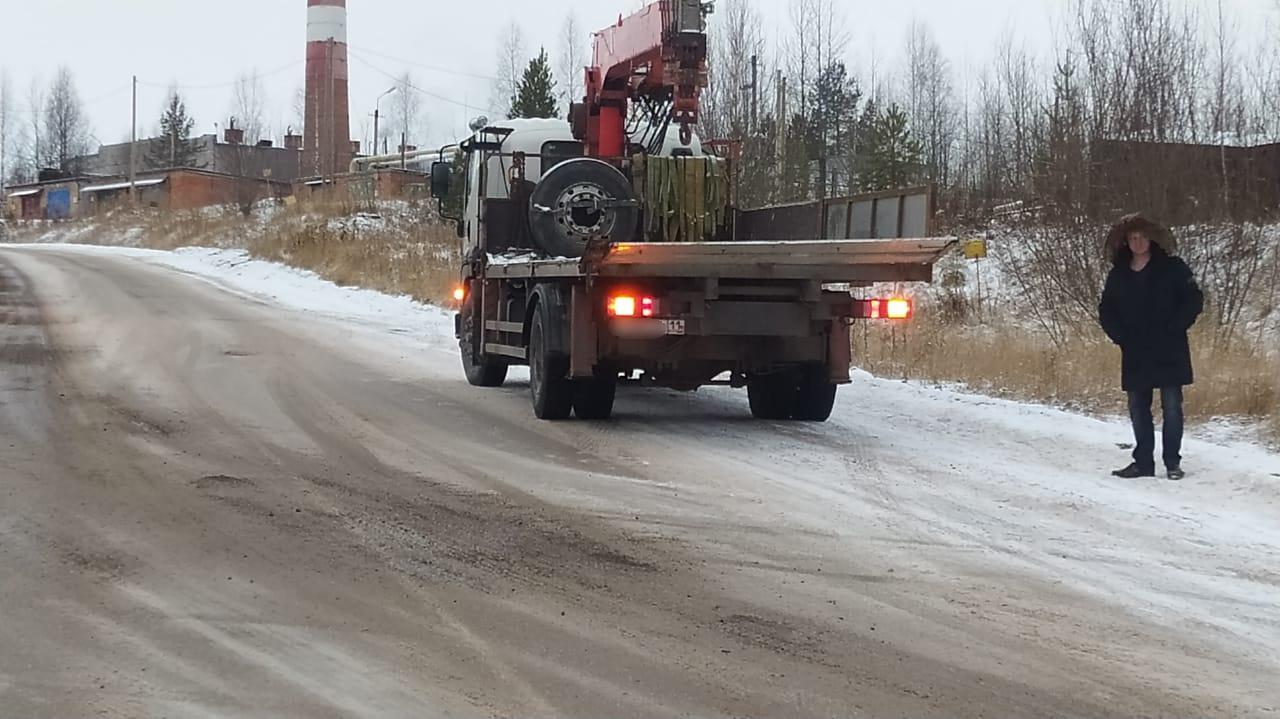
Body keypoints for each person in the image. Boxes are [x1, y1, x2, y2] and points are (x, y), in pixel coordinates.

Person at [1098, 214, 1204, 480]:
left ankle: (1172, 463)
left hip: (1169, 347)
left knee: (1171, 406)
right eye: (1132, 238)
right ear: (1126, 242)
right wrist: (1120, 336)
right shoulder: (1119, 274)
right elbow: (1106, 309)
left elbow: (1193, 299)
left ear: (1151, 239)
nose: (1138, 242)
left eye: (1142, 237)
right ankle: (1143, 462)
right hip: (1135, 350)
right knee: (1137, 406)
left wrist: (1176, 327)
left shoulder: (1173, 267)